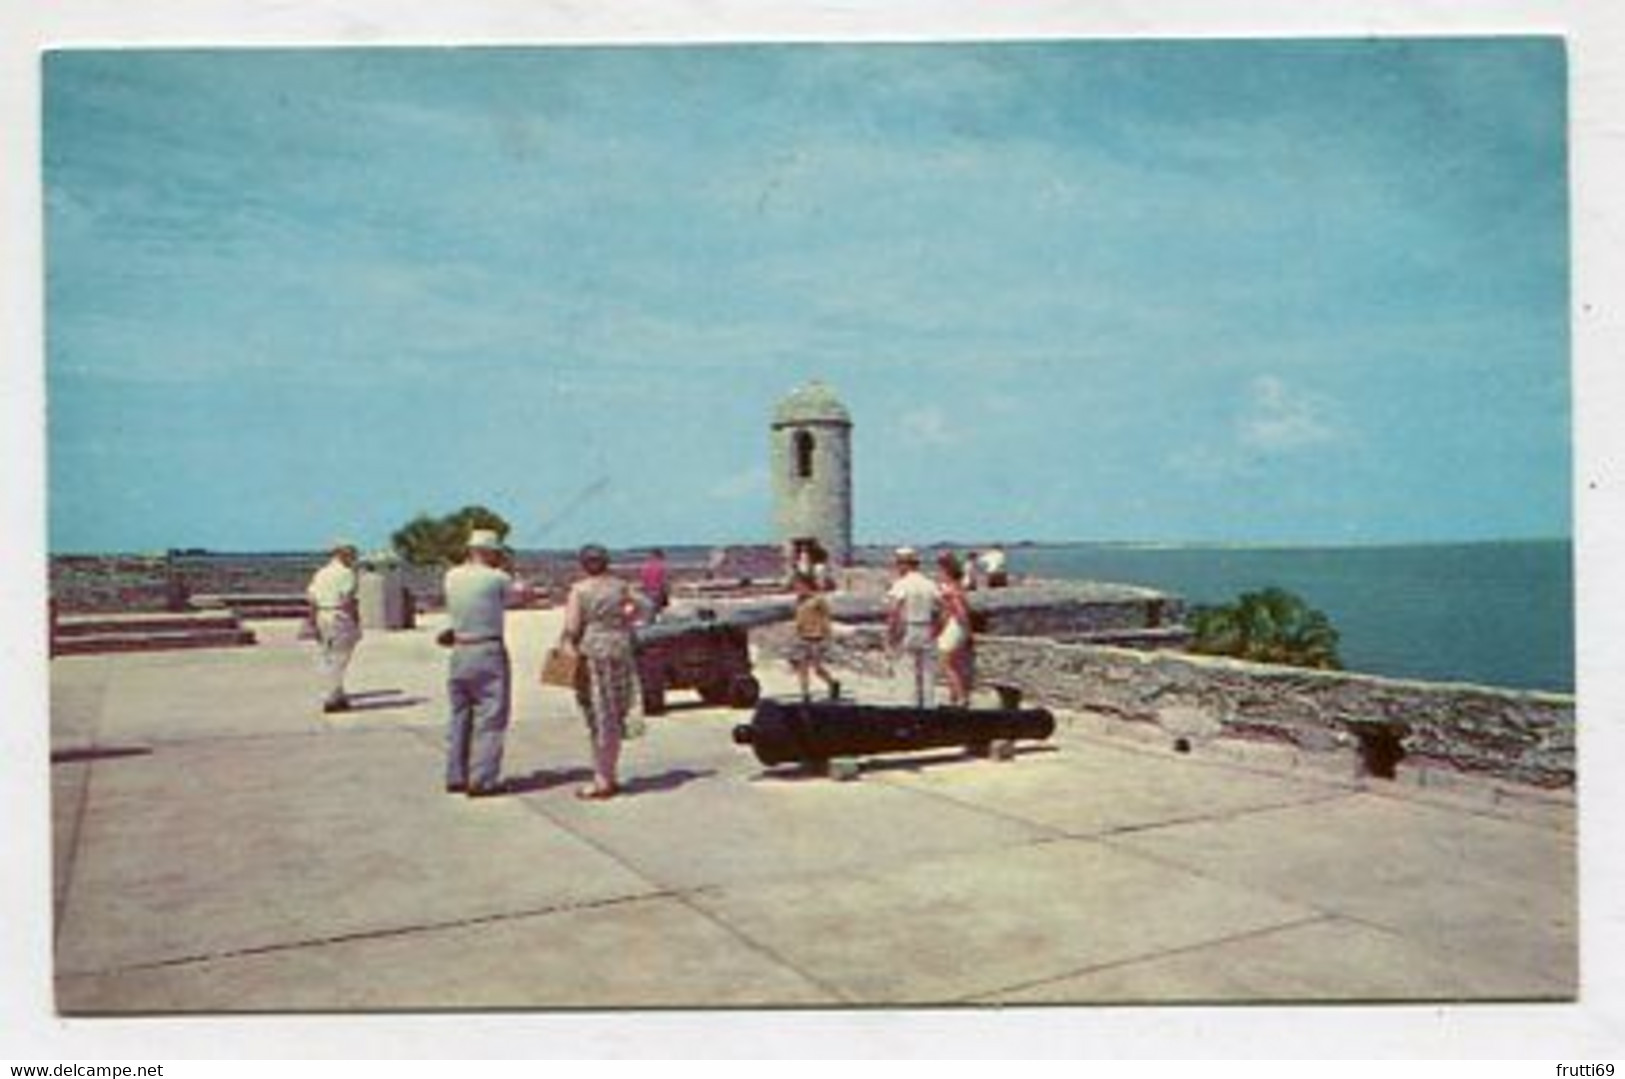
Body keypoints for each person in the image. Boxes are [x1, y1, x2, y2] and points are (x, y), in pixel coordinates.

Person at [442, 529, 528, 798]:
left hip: (460, 648)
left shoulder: (451, 575)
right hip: (487, 647)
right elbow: (520, 597)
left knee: (460, 715)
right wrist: (512, 573)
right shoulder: (497, 578)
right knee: (491, 715)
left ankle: (456, 774)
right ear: (491, 552)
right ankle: (482, 779)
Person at [562, 543, 639, 800]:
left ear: (584, 564)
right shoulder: (621, 587)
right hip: (620, 649)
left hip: (593, 651)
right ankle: (611, 773)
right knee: (616, 714)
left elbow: (572, 627)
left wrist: (565, 646)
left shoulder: (579, 589)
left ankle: (602, 780)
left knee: (598, 717)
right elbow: (640, 609)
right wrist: (621, 622)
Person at [306, 539, 362, 713]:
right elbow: (348, 600)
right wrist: (357, 622)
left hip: (323, 614)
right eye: (352, 555)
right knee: (340, 658)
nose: (354, 559)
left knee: (328, 656)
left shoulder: (321, 573)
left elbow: (312, 600)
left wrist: (312, 621)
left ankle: (339, 694)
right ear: (343, 555)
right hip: (339, 615)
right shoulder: (347, 573)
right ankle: (331, 698)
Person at [886, 547, 940, 708]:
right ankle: (928, 706)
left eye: (898, 564)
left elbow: (894, 611)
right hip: (927, 627)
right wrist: (936, 628)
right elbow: (939, 608)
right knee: (928, 672)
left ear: (904, 564)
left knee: (906, 670)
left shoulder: (901, 584)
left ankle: (907, 706)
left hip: (908, 627)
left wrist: (891, 634)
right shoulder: (930, 584)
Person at [790, 571, 841, 702]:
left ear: (806, 585)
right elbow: (798, 618)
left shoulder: (818, 600)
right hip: (802, 637)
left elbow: (826, 618)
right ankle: (805, 694)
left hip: (817, 637)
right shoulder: (799, 600)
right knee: (802, 667)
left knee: (817, 668)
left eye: (799, 585)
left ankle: (832, 683)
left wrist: (827, 636)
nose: (797, 588)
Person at [936, 551, 976, 707]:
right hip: (955, 625)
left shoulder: (952, 588)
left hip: (957, 625)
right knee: (956, 663)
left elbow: (959, 610)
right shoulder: (955, 586)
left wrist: (967, 630)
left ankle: (961, 698)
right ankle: (955, 697)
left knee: (947, 662)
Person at [638, 548, 670, 619]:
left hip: (647, 592)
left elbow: (643, 579)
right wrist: (665, 593)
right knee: (657, 612)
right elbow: (663, 581)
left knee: (648, 613)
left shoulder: (645, 566)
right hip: (657, 592)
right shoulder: (661, 566)